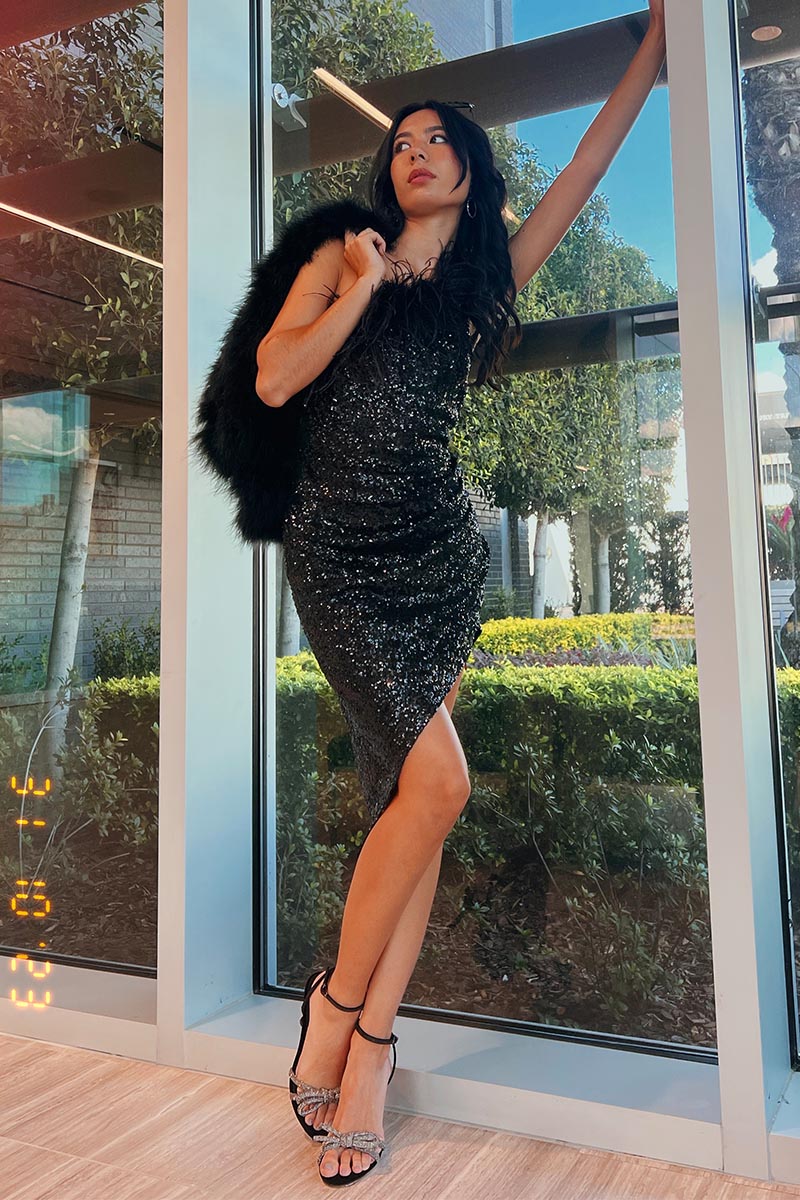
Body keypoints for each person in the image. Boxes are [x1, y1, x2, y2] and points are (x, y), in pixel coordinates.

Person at [257, 2, 666, 1185]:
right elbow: (275, 380)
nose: (415, 151)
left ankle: (369, 1050)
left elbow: (584, 164)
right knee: (437, 783)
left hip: (436, 552)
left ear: (470, 170)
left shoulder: (490, 277)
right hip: (337, 551)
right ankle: (338, 1008)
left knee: (414, 799)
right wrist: (357, 288)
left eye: (437, 139)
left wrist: (655, 47)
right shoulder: (341, 255)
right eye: (400, 142)